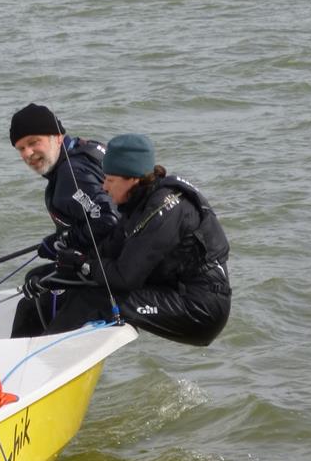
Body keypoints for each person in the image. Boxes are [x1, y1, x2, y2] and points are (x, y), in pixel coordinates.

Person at [21, 132, 231, 345]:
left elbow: (124, 277)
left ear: (133, 178)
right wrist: (54, 273)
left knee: (94, 300)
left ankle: (38, 365)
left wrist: (83, 265)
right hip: (173, 290)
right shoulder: (139, 202)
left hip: (201, 309)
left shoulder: (165, 209)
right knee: (64, 295)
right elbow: (107, 251)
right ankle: (17, 357)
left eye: (110, 180)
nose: (104, 187)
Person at [9, 103, 117, 336]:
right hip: (112, 262)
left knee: (31, 302)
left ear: (57, 137)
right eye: (21, 148)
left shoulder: (72, 174)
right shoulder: (85, 149)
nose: (27, 153)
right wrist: (60, 240)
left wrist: (64, 241)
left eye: (34, 142)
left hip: (110, 275)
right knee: (34, 281)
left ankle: (33, 366)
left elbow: (108, 220)